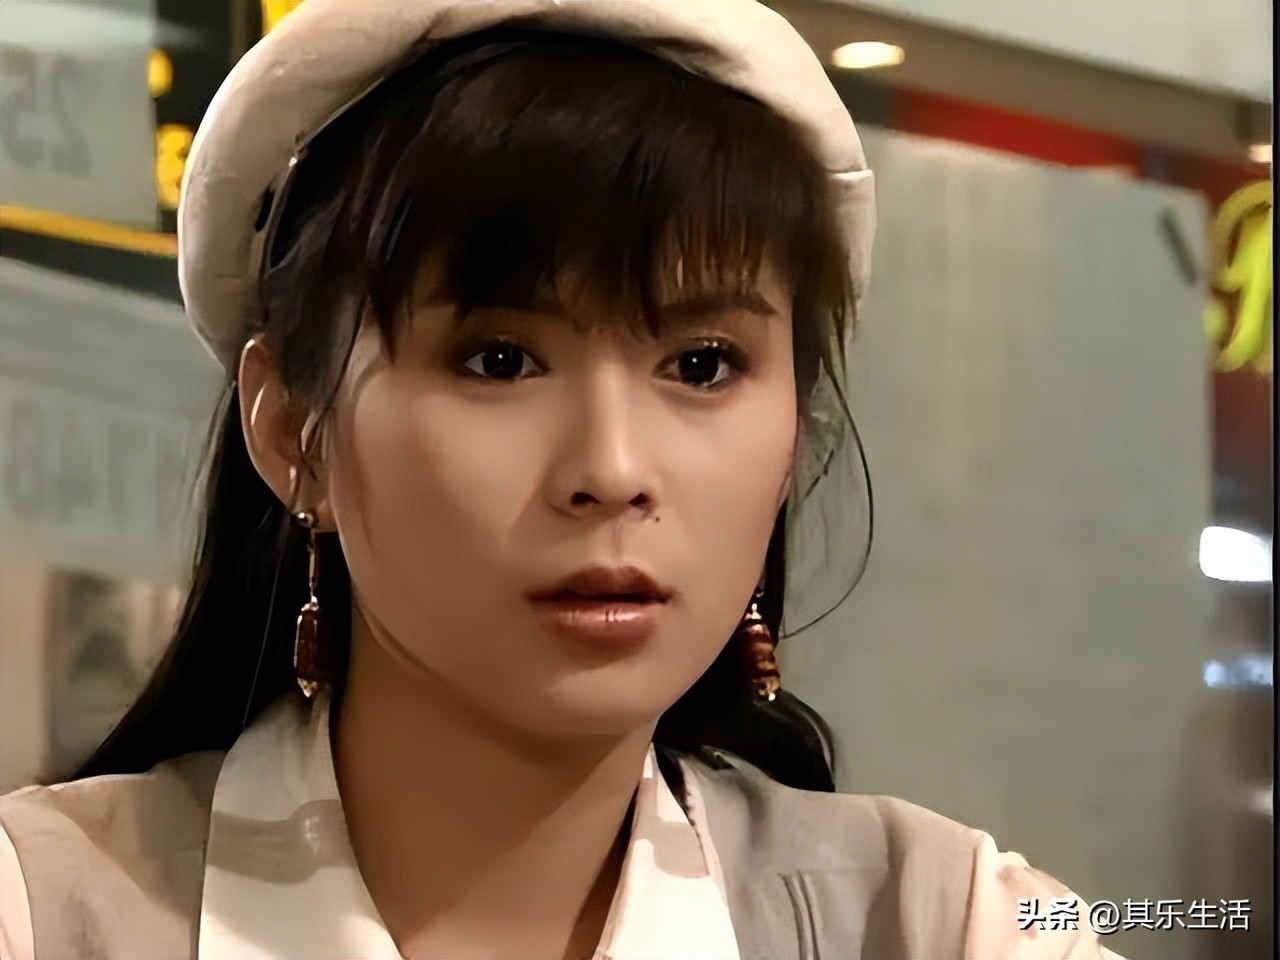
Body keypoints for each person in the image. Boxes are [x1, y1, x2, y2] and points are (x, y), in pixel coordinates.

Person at [0, 2, 1123, 958]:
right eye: (499, 360)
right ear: (295, 431)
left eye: (701, 365)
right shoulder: (47, 913)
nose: (612, 471)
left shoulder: (942, 925)